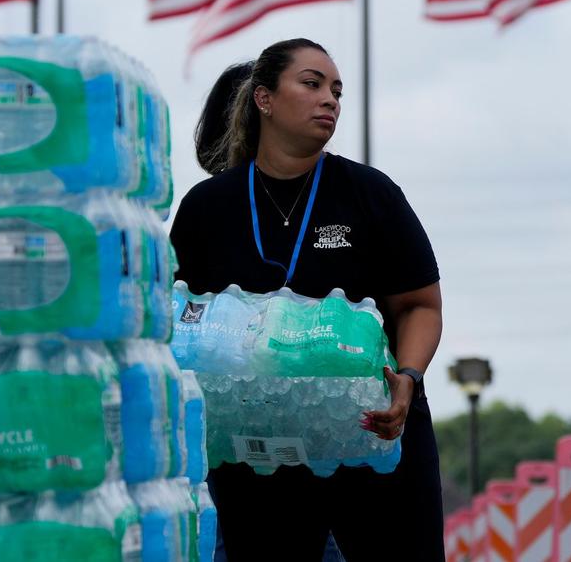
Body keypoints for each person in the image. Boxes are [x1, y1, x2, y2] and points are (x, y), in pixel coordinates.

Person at [170, 38, 444, 560]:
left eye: (337, 91)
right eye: (312, 84)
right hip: (258, 458)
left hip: (373, 438)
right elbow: (182, 319)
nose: (330, 100)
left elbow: (419, 305)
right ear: (264, 99)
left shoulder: (370, 192)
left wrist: (408, 378)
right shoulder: (208, 207)